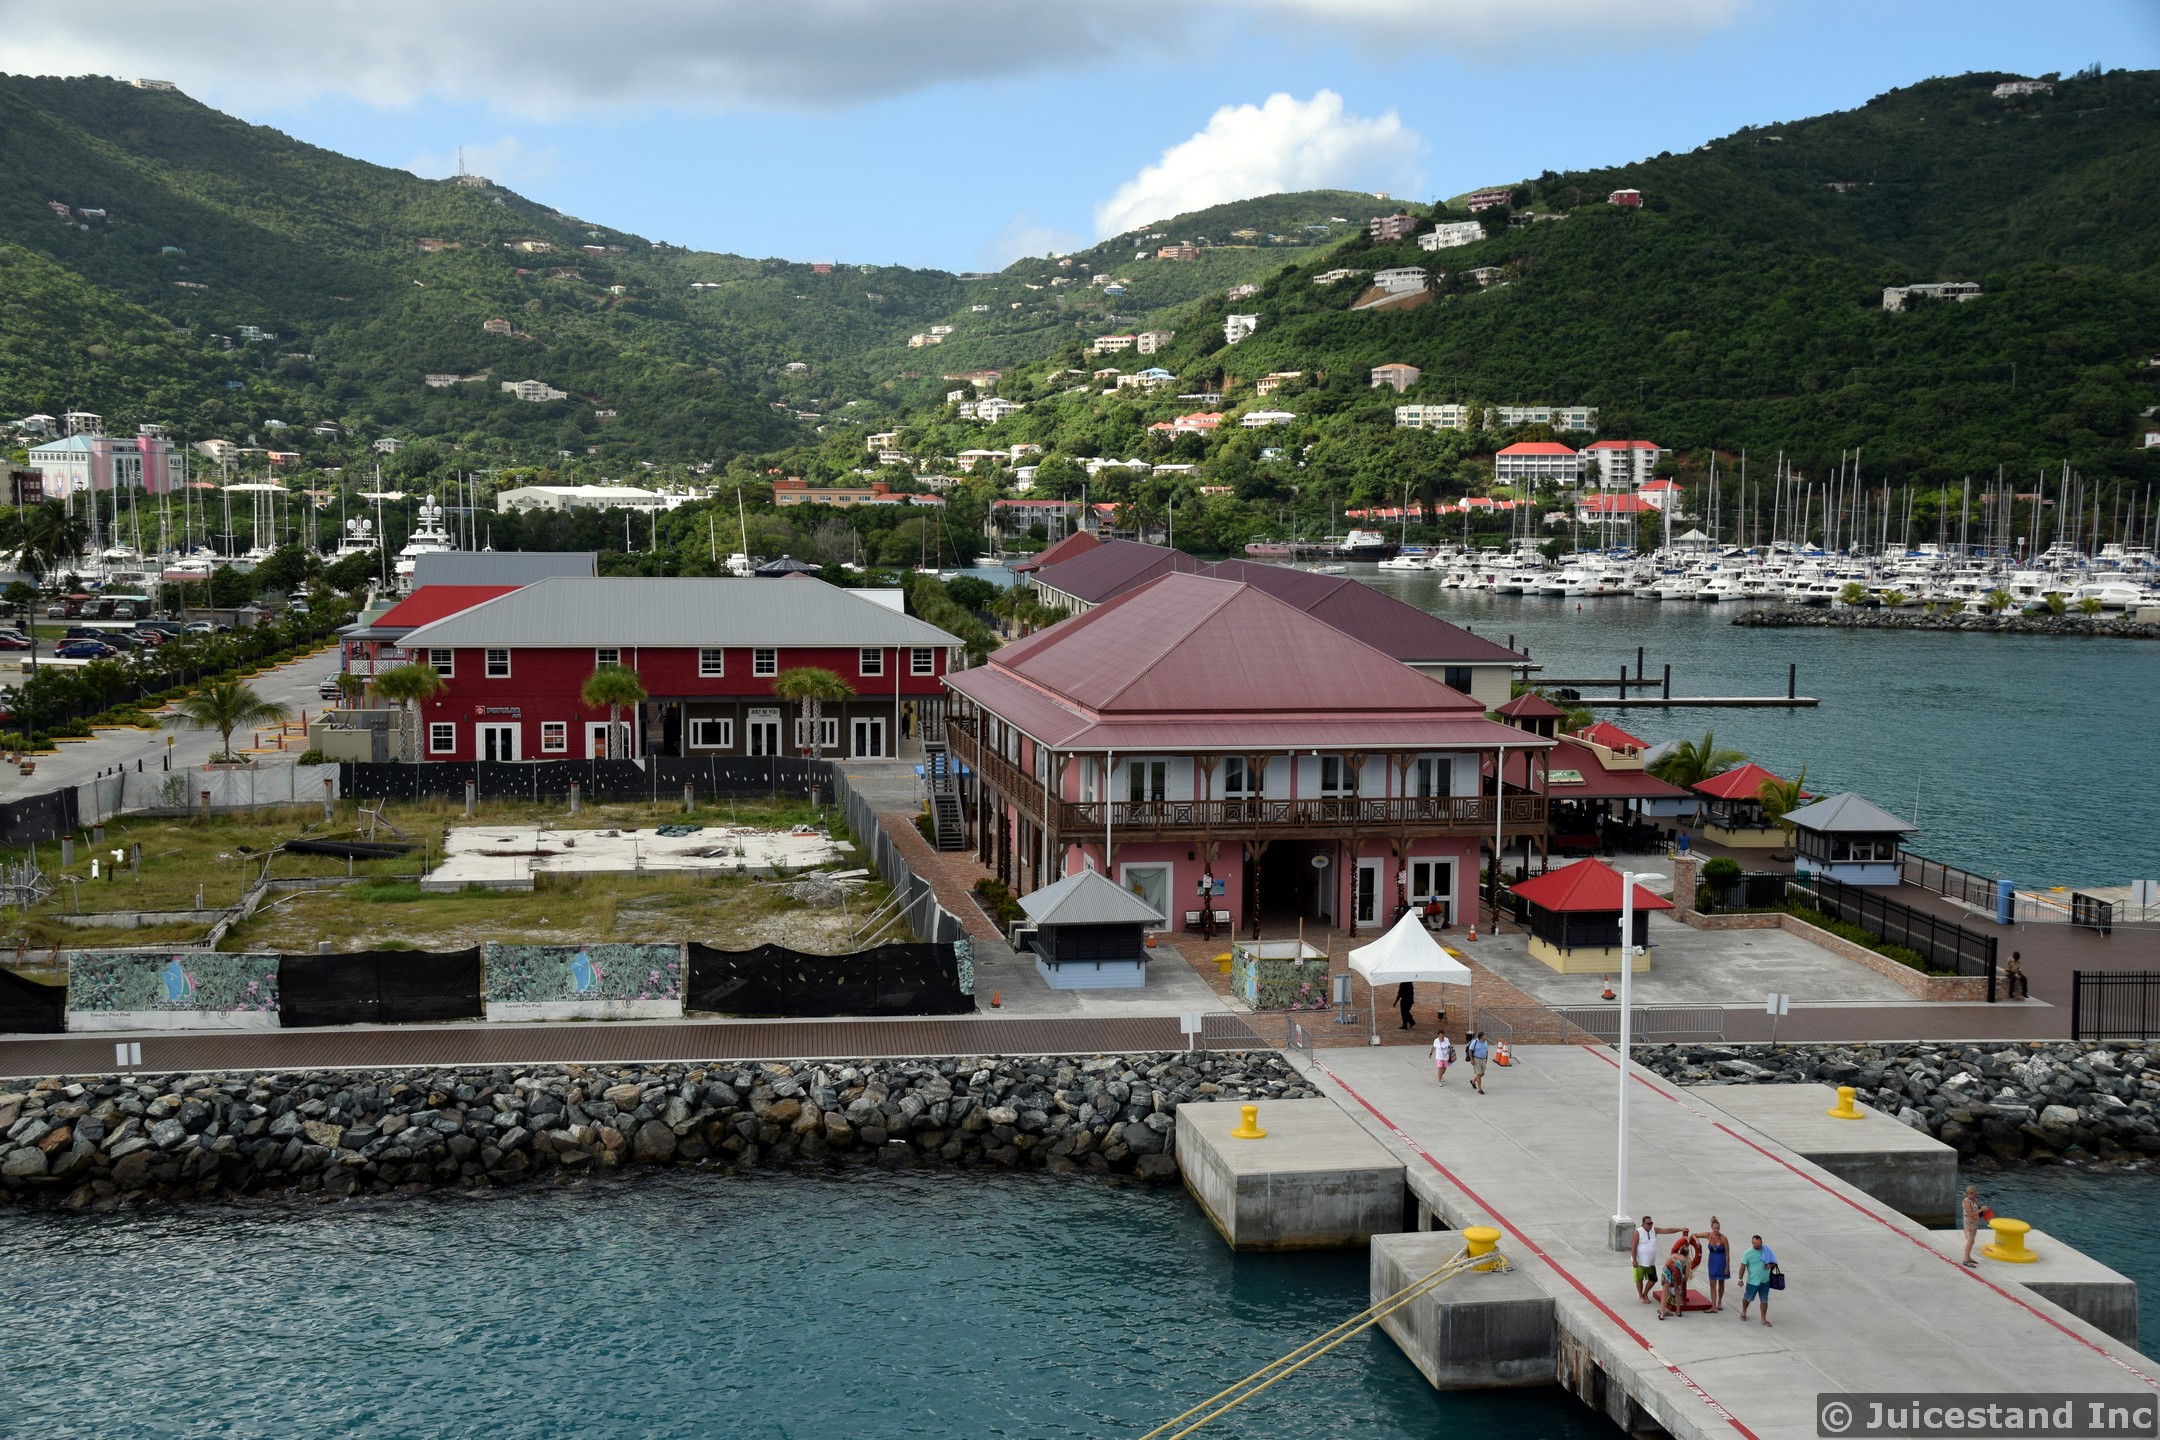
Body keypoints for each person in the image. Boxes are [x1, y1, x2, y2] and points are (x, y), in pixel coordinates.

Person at [1631, 1216, 1680, 1304]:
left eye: (1651, 1223)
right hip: (1640, 1262)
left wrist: (1679, 1229)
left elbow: (1666, 1230)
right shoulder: (1638, 1232)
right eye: (1648, 1223)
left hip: (1650, 1261)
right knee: (1639, 1279)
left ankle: (1645, 1293)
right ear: (1643, 1224)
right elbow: (1633, 1246)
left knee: (1653, 1279)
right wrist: (1634, 1260)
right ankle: (1640, 1296)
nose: (1650, 1225)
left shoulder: (1654, 1230)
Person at [1737, 1234, 1776, 1326]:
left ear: (1761, 1242)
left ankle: (1763, 1318)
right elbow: (1743, 1266)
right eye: (1754, 1243)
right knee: (1747, 1298)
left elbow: (1774, 1262)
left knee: (1764, 1300)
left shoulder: (1767, 1251)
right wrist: (1740, 1279)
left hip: (1765, 1281)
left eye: (1758, 1244)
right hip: (1752, 1282)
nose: (1756, 1245)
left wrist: (1770, 1265)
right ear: (1752, 1242)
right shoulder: (1747, 1253)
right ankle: (1744, 1311)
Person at [1702, 1217, 1730, 1312]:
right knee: (1712, 1283)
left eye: (1718, 1228)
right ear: (1712, 1228)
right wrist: (1695, 1240)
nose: (1717, 1230)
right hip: (1712, 1261)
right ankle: (1713, 1305)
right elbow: (1695, 1235)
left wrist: (1727, 1266)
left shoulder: (1723, 1238)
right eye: (1715, 1228)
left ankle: (1719, 1302)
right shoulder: (1708, 1235)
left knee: (1721, 1282)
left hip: (1721, 1261)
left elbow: (1727, 1254)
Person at [1961, 1185, 1983, 1267]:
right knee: (1970, 1240)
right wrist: (1981, 1210)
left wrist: (1980, 1207)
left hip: (1974, 1223)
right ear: (1969, 1193)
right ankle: (1965, 1260)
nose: (1975, 1195)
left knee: (1972, 1240)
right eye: (1974, 1194)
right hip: (1969, 1224)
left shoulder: (1972, 1200)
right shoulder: (1966, 1201)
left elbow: (1978, 1207)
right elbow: (1970, 1214)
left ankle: (1968, 1257)